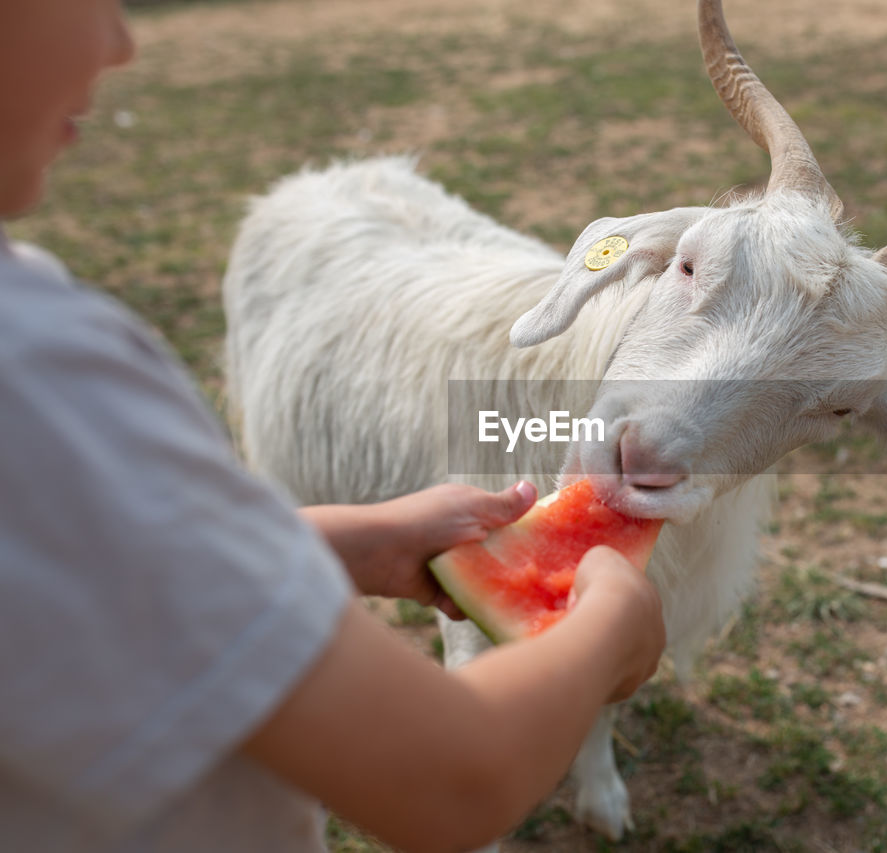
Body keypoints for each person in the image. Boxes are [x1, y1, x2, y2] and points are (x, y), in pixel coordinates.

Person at [0, 2, 666, 851]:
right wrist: (612, 626)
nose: (122, 44)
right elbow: (451, 781)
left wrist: (342, 542)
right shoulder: (39, 375)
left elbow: (79, 570)